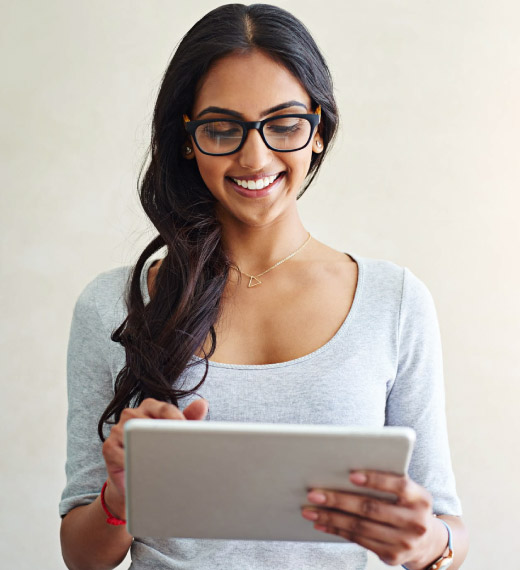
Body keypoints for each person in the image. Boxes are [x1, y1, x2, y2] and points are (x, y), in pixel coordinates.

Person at [59, 4, 469, 569]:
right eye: (221, 128)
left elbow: (447, 524)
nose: (254, 157)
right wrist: (120, 499)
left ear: (319, 130)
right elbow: (82, 557)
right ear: (187, 140)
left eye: (283, 123)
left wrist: (427, 545)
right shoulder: (112, 305)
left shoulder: (394, 303)